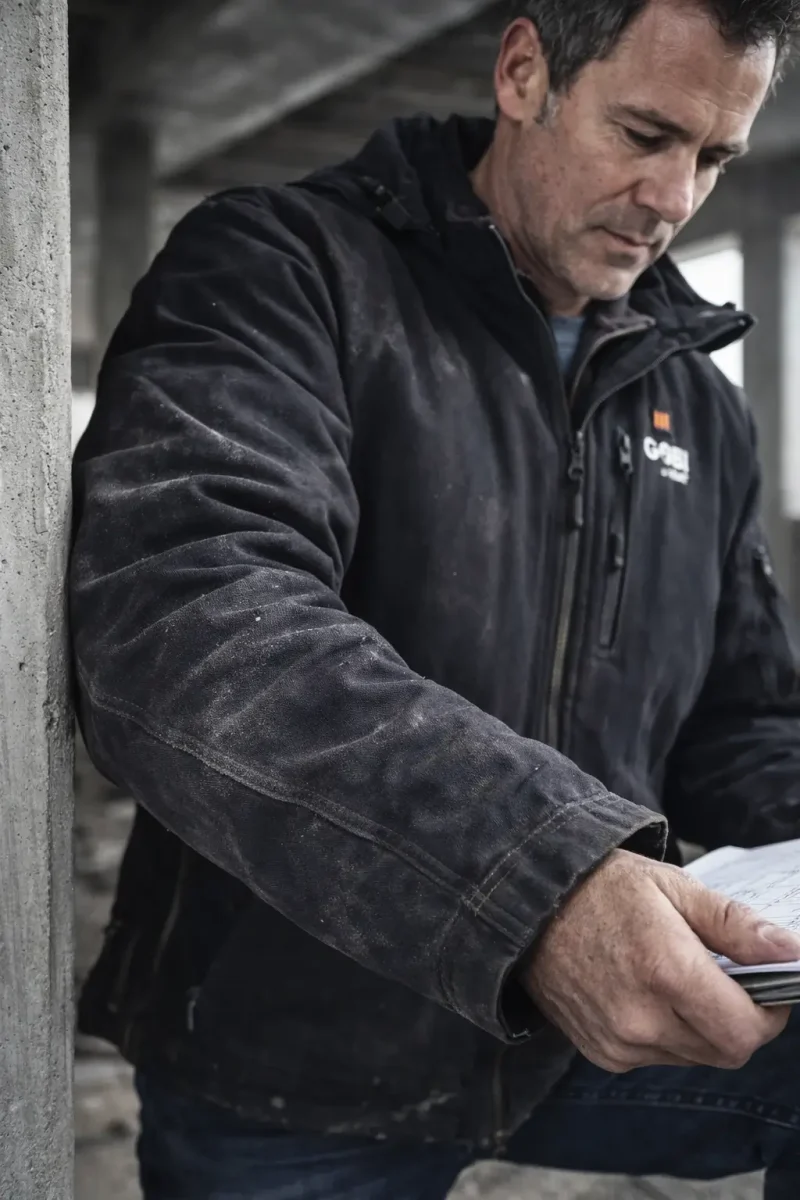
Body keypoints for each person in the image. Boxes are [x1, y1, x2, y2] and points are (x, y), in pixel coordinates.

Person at [70, 0, 800, 1196]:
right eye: (642, 133)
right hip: (294, 1045)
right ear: (524, 73)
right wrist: (543, 878)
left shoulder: (694, 401)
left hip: (575, 1038)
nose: (671, 200)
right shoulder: (283, 268)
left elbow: (740, 716)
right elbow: (185, 621)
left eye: (711, 157)